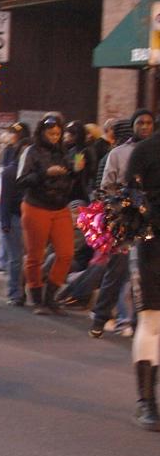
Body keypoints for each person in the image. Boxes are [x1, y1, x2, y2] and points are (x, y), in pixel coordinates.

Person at [89, 111, 154, 338]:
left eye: (149, 123)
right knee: (117, 271)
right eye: (140, 123)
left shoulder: (155, 151)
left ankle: (137, 324)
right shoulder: (118, 153)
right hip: (126, 221)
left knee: (145, 275)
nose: (145, 127)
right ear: (133, 126)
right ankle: (99, 318)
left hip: (151, 222)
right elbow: (106, 186)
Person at [16, 114, 84, 314]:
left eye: (57, 134)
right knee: (35, 256)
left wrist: (75, 171)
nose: (54, 137)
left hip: (60, 206)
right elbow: (21, 181)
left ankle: (50, 296)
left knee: (66, 253)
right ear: (42, 132)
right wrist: (45, 173)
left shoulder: (64, 152)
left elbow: (70, 178)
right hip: (36, 206)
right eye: (51, 133)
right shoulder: (31, 151)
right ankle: (37, 299)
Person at [124, 111, 160, 430]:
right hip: (152, 246)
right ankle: (146, 401)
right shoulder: (145, 151)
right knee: (151, 321)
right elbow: (129, 197)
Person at [0, 122, 32, 306]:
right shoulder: (10, 172)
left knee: (30, 258)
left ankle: (24, 290)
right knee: (16, 258)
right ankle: (15, 292)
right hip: (14, 218)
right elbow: (5, 200)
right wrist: (5, 223)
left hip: (31, 218)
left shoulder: (34, 172)